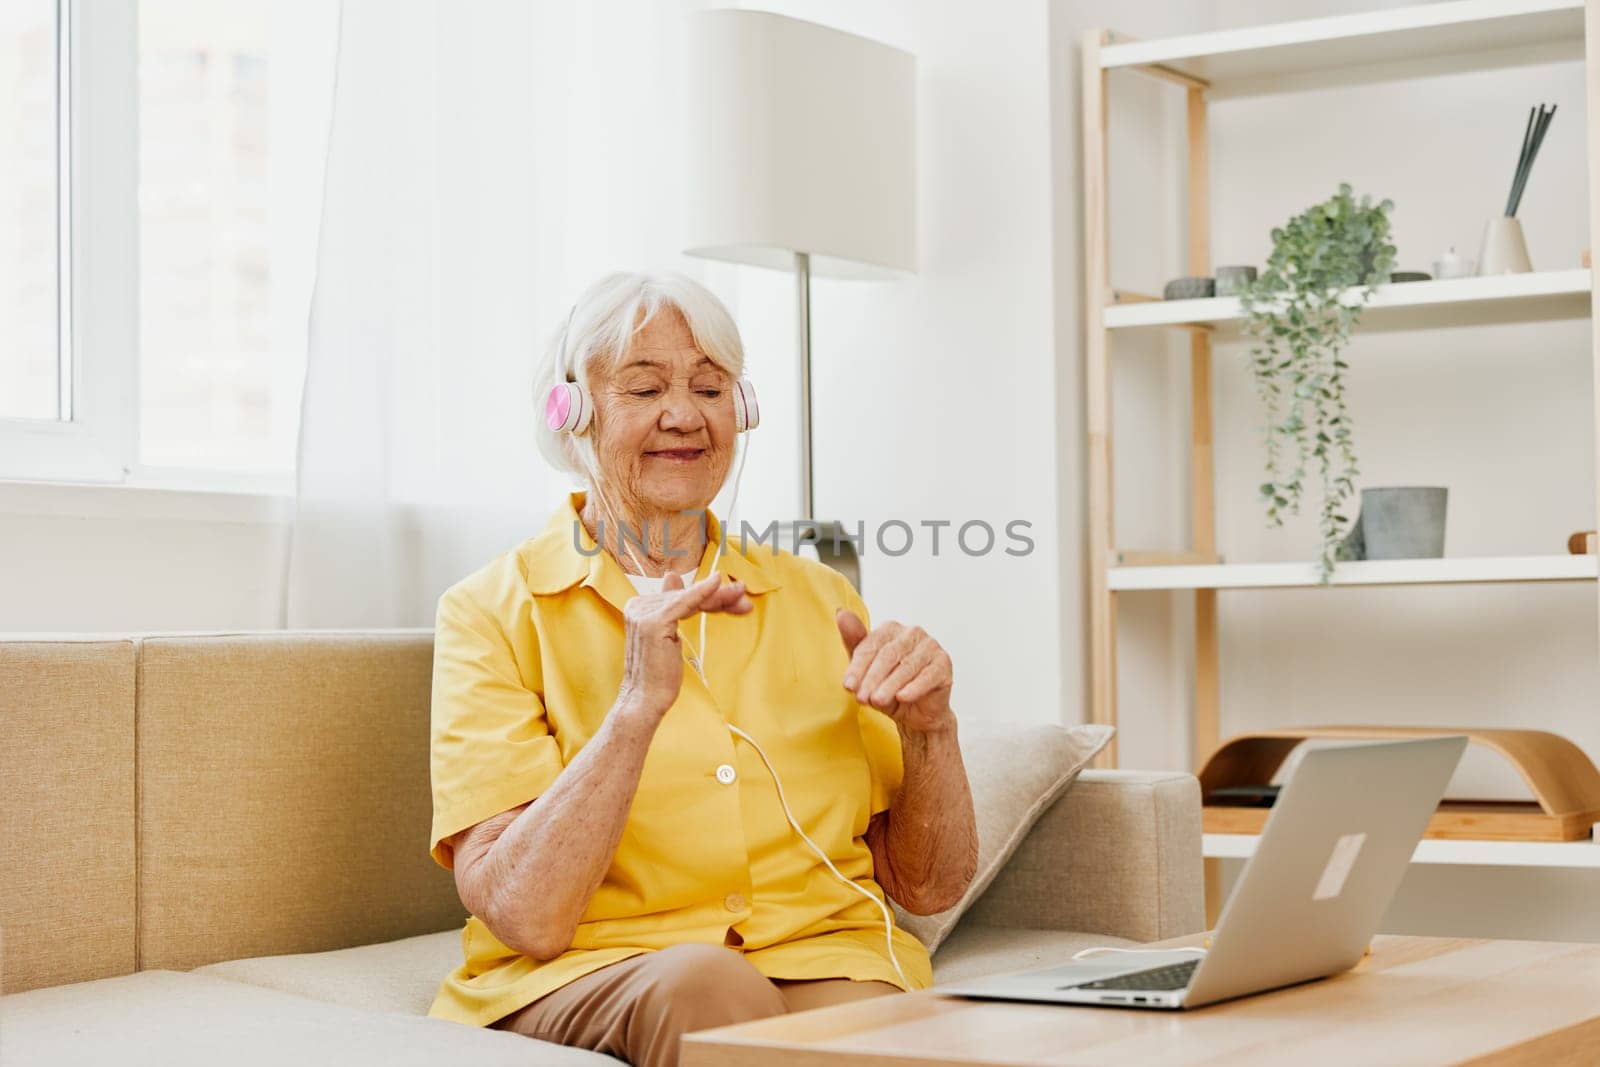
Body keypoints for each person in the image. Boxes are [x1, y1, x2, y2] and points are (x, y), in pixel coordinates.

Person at [425, 270, 978, 1067]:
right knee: (710, 989)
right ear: (572, 412)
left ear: (740, 411)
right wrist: (635, 710)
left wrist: (932, 731)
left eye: (711, 389)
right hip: (598, 968)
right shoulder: (490, 611)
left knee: (895, 1031)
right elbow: (526, 914)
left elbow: (927, 886)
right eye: (644, 387)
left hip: (823, 953)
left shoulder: (817, 596)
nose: (683, 415)